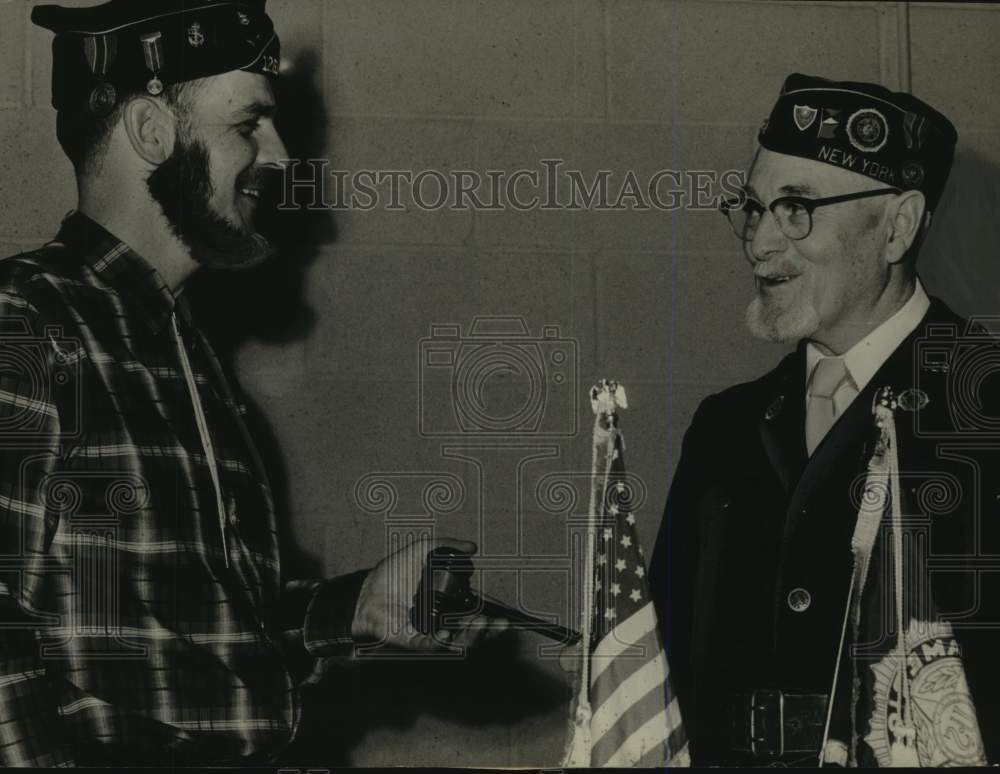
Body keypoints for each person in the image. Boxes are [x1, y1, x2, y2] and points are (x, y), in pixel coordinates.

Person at [0, 0, 498, 766]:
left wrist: (354, 608)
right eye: (248, 126)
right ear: (152, 132)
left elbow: (199, 635)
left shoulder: (186, 355)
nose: (283, 156)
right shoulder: (26, 319)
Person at [650, 73, 1000, 767]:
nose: (759, 245)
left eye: (797, 209)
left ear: (897, 226)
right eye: (752, 209)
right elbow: (664, 669)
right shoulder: (724, 428)